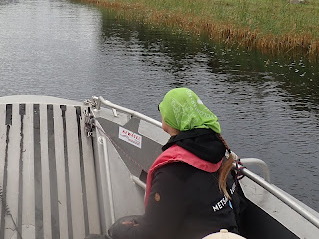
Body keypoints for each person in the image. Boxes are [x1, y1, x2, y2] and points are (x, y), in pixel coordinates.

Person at [88, 87, 245, 239]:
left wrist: (116, 231)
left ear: (170, 121)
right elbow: (238, 207)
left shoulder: (173, 173)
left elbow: (152, 235)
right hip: (224, 232)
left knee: (115, 229)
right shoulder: (220, 154)